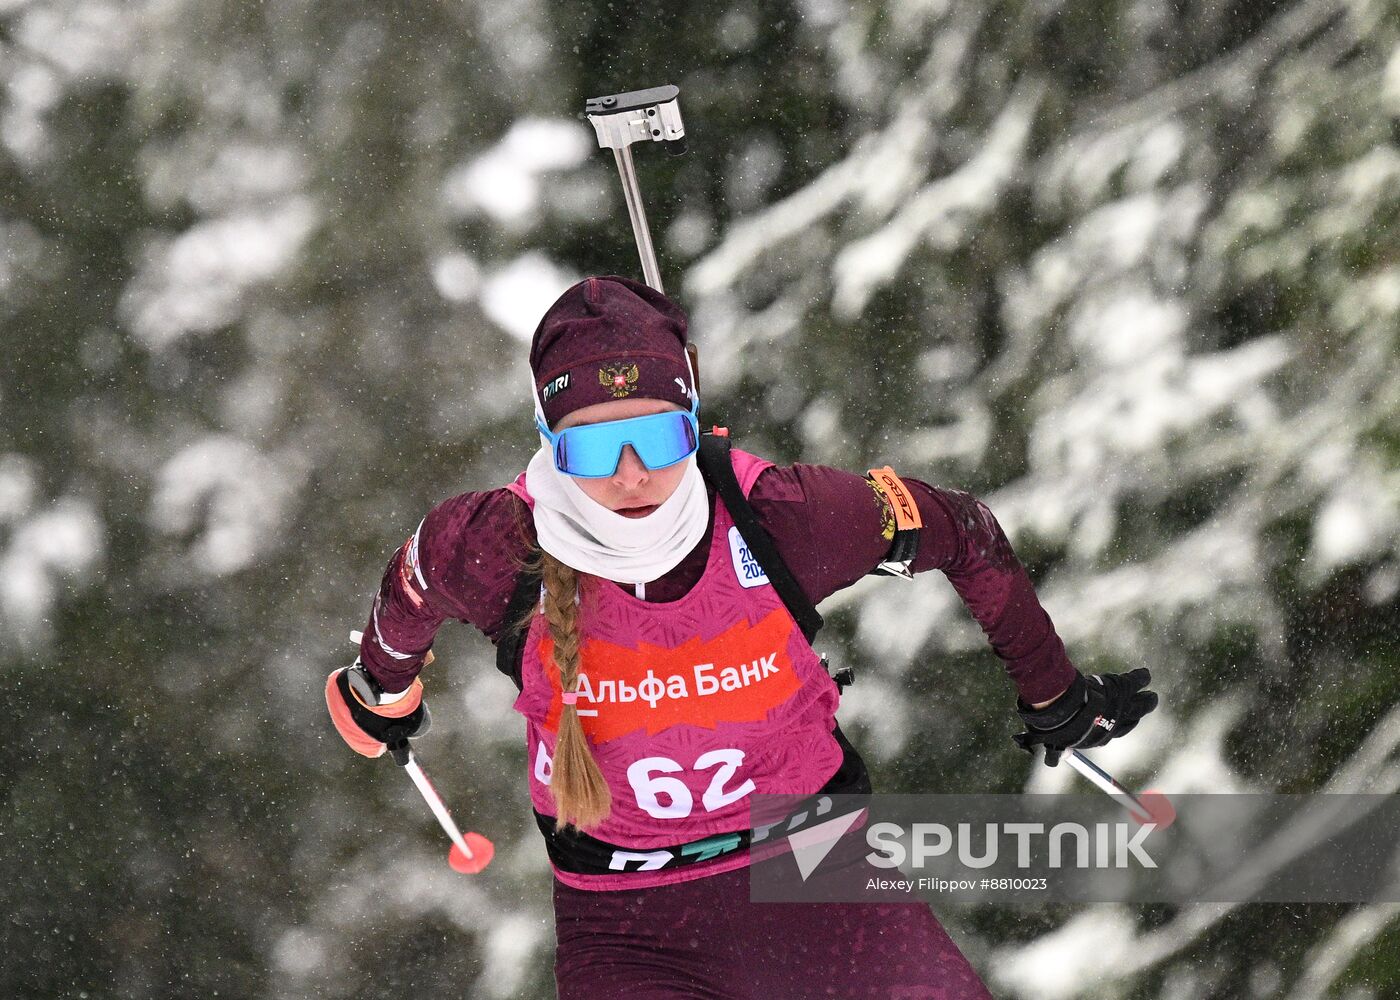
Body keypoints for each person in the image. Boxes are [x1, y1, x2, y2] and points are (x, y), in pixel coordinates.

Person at [326, 275, 1158, 999]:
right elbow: (409, 595)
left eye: (656, 436)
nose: (630, 473)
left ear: (691, 421)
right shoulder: (495, 541)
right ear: (550, 442)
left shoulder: (786, 520)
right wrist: (383, 690)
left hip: (822, 880)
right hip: (625, 925)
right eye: (591, 446)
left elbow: (963, 530)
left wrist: (1054, 691)